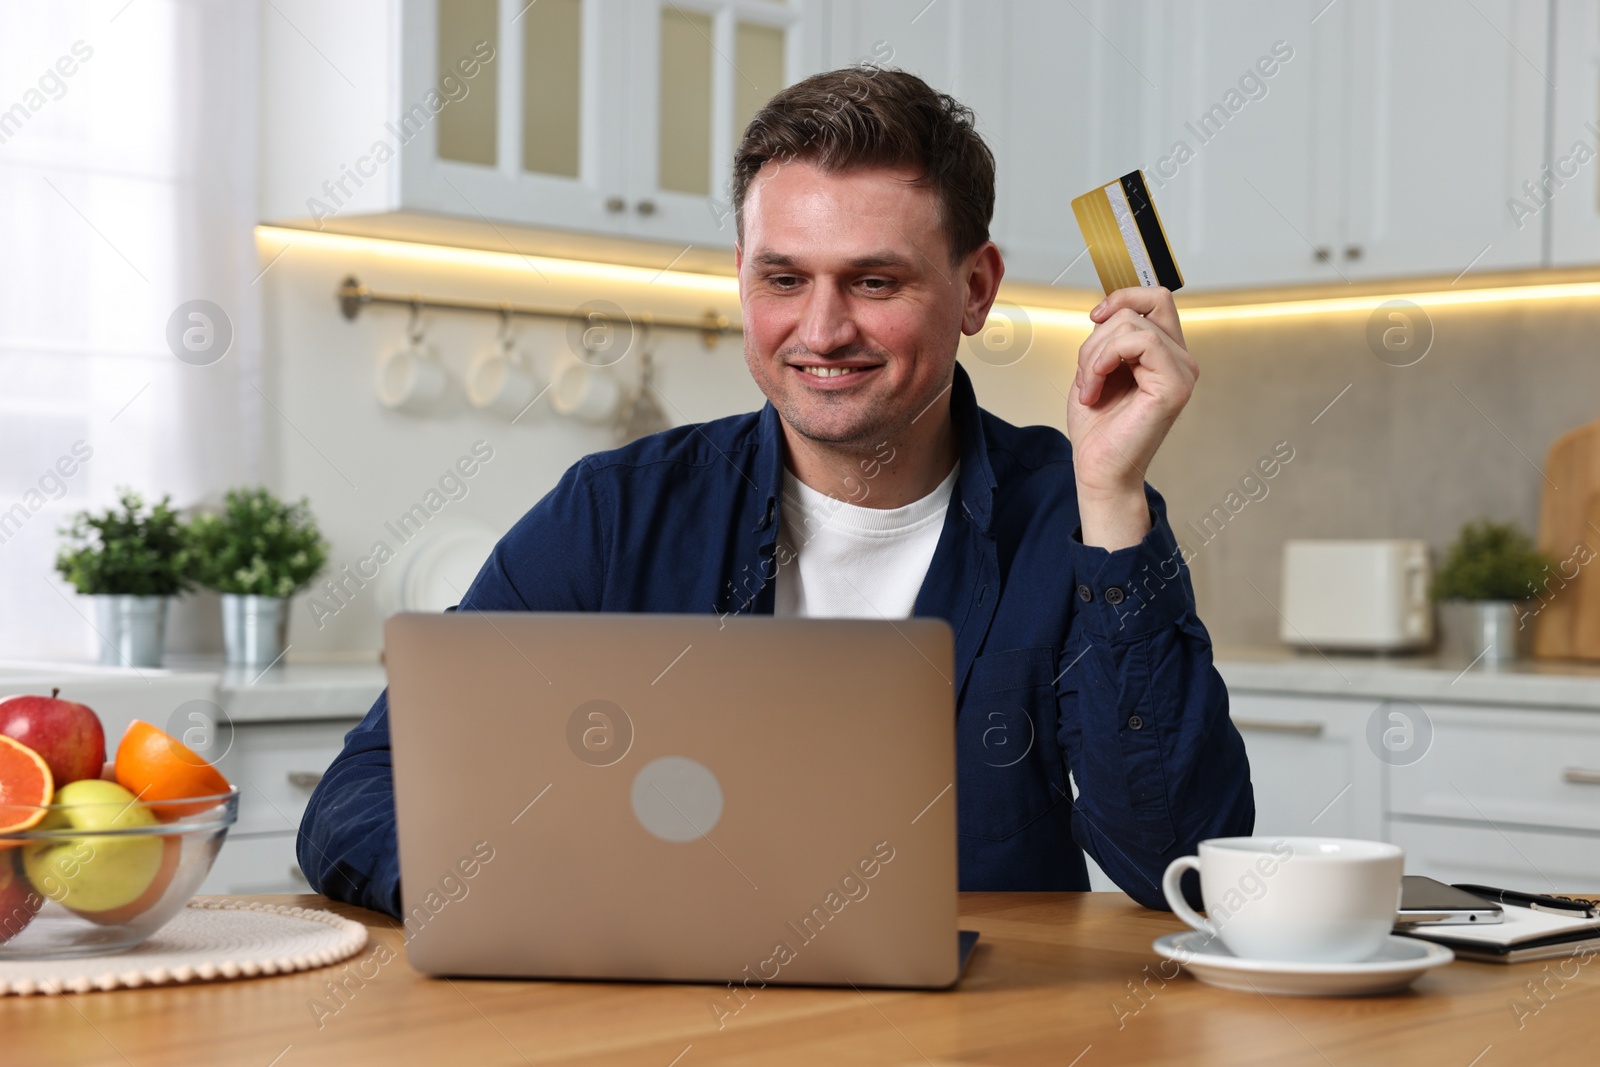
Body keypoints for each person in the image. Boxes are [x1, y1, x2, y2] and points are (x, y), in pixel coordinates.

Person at [298, 66, 1253, 918]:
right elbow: (366, 790)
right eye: (784, 278)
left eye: (875, 281)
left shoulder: (1075, 514)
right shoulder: (616, 515)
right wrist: (535, 891)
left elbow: (1182, 860)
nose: (822, 329)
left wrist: (1115, 494)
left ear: (976, 289)